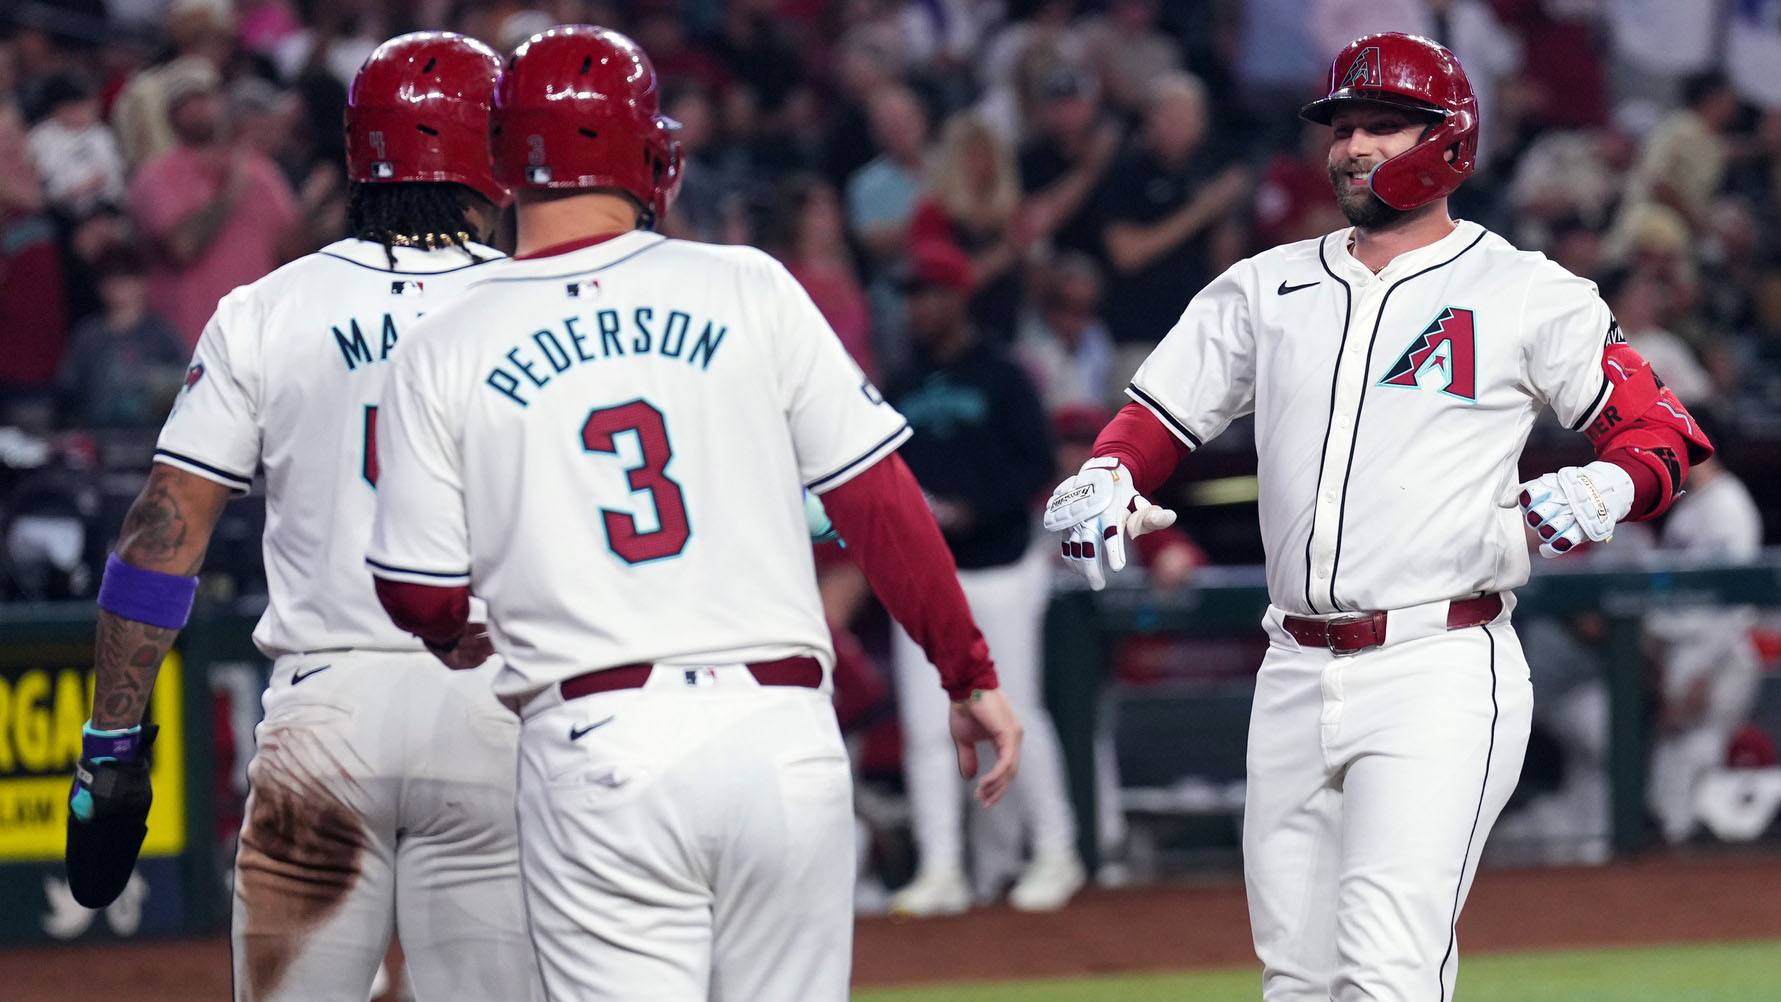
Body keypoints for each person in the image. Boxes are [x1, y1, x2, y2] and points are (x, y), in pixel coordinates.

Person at [1043, 32, 1712, 1001]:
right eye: (1340, 127)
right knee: (1296, 983)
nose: (1351, 147)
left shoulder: (1520, 290)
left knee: (1387, 976)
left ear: (1446, 139)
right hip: (1291, 668)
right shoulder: (1265, 285)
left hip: (1435, 663)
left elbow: (1665, 434)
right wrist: (1107, 472)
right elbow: (1156, 414)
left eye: (1379, 127)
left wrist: (1606, 488)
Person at [362, 26, 1022, 1002]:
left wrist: (457, 633)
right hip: (782, 733)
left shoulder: (442, 341)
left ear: (505, 160)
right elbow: (877, 501)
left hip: (599, 738)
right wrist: (966, 671)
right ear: (642, 149)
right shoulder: (747, 283)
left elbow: (416, 590)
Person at [62, 32, 543, 1002]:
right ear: (487, 157)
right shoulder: (541, 306)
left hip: (325, 716)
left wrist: (113, 744)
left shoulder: (267, 308)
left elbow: (165, 528)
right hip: (500, 708)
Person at [881, 241, 1083, 916]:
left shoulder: (1003, 375)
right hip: (923, 575)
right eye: (909, 297)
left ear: (957, 297)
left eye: (927, 294)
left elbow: (1036, 468)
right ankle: (942, 867)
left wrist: (971, 508)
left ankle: (1056, 852)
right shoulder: (899, 380)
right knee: (924, 727)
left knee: (1016, 712)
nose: (916, 308)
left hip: (998, 564)